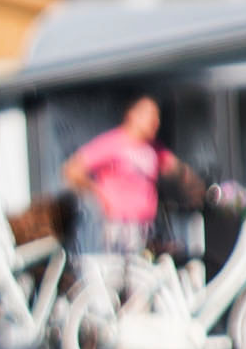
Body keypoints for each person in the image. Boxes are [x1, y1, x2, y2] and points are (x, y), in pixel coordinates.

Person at [66, 96, 199, 253]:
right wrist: (98, 192)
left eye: (157, 116)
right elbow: (72, 169)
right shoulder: (112, 143)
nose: (155, 121)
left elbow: (177, 169)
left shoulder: (154, 149)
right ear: (132, 115)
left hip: (146, 226)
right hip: (119, 226)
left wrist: (195, 184)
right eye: (150, 115)